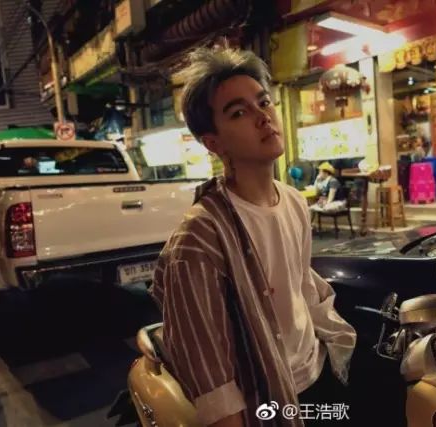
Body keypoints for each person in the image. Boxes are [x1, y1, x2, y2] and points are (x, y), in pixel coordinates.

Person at [149, 47, 356, 427]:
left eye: (263, 102)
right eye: (238, 113)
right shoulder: (199, 238)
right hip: (265, 397)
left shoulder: (294, 201)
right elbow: (210, 375)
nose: (263, 117)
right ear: (213, 143)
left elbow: (301, 288)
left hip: (316, 373)